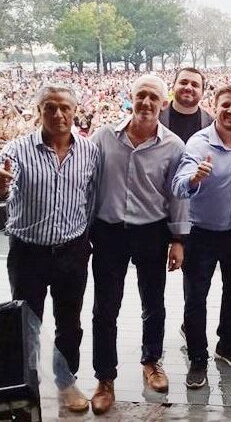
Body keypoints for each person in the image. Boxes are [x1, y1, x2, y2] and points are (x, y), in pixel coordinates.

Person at [89, 74, 189, 415]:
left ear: (163, 103)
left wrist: (177, 239)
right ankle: (105, 378)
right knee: (105, 308)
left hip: (151, 231)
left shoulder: (173, 146)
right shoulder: (104, 137)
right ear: (130, 98)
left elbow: (177, 196)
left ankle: (151, 360)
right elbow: (86, 181)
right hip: (109, 231)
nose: (146, 103)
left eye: (153, 97)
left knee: (153, 302)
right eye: (140, 95)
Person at [0, 83, 101, 413]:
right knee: (26, 323)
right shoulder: (15, 151)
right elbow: (6, 196)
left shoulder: (89, 151)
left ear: (75, 111)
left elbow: (91, 198)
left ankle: (66, 381)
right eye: (49, 108)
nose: (58, 114)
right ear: (39, 111)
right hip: (28, 251)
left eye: (64, 108)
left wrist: (85, 239)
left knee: (70, 322)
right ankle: (27, 386)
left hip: (72, 250)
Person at [172, 85, 231, 389]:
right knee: (196, 298)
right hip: (202, 234)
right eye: (226, 105)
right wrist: (195, 178)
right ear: (215, 107)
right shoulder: (199, 144)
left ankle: (226, 345)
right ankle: (198, 358)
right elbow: (178, 185)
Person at [159, 67, 213, 143]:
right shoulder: (156, 118)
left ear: (202, 92)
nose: (188, 88)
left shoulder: (211, 124)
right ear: (173, 87)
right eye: (183, 83)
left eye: (195, 85)